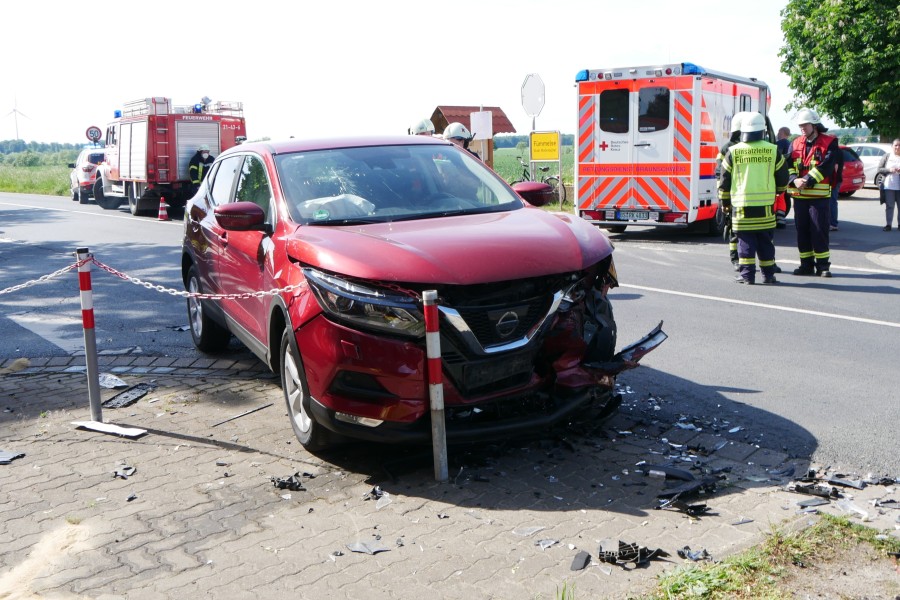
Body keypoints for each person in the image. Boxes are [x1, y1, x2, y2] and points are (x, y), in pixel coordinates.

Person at [718, 113, 789, 285]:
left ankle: (747, 276)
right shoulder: (773, 150)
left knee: (745, 242)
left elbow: (724, 180)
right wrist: (777, 192)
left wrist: (725, 202)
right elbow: (783, 178)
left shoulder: (733, 152)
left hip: (741, 207)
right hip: (765, 206)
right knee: (765, 242)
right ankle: (768, 275)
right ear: (762, 130)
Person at [785, 108, 839, 278]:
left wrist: (807, 179)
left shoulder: (830, 142)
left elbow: (827, 166)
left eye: (805, 125)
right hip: (800, 197)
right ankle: (806, 265)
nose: (802, 128)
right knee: (802, 231)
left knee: (819, 231)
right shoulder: (794, 143)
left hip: (819, 197)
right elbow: (787, 166)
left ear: (814, 125)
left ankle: (823, 266)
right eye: (800, 125)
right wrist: (794, 179)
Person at [717, 112, 749, 271]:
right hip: (734, 196)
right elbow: (720, 173)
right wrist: (724, 199)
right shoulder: (728, 148)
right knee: (734, 230)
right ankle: (736, 259)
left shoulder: (752, 146)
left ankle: (749, 260)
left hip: (745, 196)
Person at [876, 139, 900, 231]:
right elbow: (879, 169)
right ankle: (888, 224)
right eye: (896, 145)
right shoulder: (887, 156)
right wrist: (889, 170)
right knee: (890, 206)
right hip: (889, 185)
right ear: (892, 146)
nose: (897, 147)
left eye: (899, 145)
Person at [828, 143, 844, 231]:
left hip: (833, 180)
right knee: (833, 202)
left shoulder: (834, 151)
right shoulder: (839, 151)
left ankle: (833, 224)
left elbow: (836, 167)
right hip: (837, 180)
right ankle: (833, 223)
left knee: (831, 202)